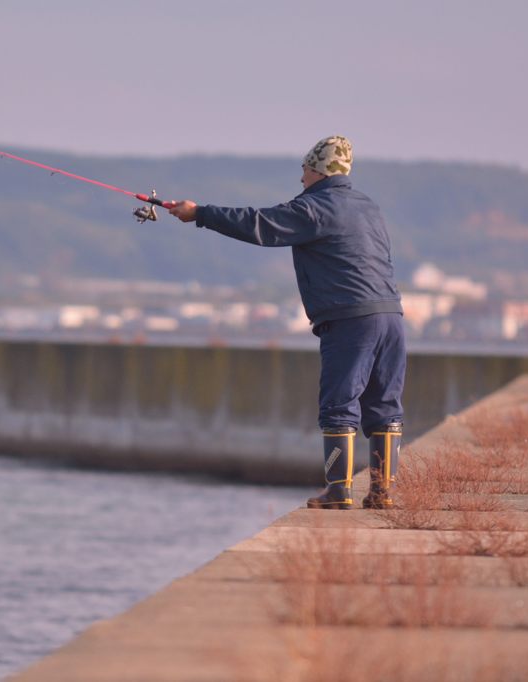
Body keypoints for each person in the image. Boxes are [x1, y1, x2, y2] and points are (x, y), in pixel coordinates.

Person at [167, 136, 405, 510]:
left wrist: (200, 214)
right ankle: (383, 493)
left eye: (304, 170)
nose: (301, 179)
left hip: (350, 319)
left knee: (339, 405)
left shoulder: (316, 207)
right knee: (384, 406)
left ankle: (339, 491)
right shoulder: (367, 206)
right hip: (391, 317)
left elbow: (260, 225)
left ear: (318, 170)